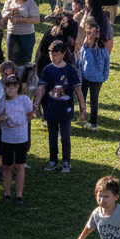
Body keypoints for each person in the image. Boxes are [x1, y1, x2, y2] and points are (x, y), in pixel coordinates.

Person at [34, 41, 86, 174]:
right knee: (52, 136)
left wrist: (83, 107)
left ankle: (66, 162)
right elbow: (41, 88)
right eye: (51, 53)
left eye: (56, 53)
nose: (53, 56)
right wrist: (36, 104)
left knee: (65, 136)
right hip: (50, 109)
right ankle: (53, 160)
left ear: (63, 54)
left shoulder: (70, 69)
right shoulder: (47, 69)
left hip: (66, 110)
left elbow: (78, 89)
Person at [0, 74, 32, 204]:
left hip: (21, 138)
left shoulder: (24, 100)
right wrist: (0, 119)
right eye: (7, 87)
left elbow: (30, 115)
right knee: (7, 166)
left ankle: (19, 195)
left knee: (20, 166)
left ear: (18, 87)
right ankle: (7, 194)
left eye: (13, 87)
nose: (10, 90)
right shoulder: (1, 102)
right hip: (7, 138)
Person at [79, 20, 110, 131]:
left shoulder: (101, 49)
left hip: (97, 79)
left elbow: (107, 62)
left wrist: (104, 77)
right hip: (85, 77)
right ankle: (82, 118)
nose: (91, 36)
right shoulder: (84, 47)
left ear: (98, 34)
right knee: (82, 98)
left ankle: (93, 123)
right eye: (89, 33)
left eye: (94, 33)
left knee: (94, 101)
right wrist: (80, 75)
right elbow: (80, 62)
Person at [1, 0, 40, 71]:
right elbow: (3, 16)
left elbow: (37, 20)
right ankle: (12, 80)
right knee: (11, 60)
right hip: (12, 34)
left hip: (27, 35)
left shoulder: (31, 3)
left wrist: (21, 19)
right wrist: (10, 12)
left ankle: (24, 81)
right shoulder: (9, 2)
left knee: (25, 61)